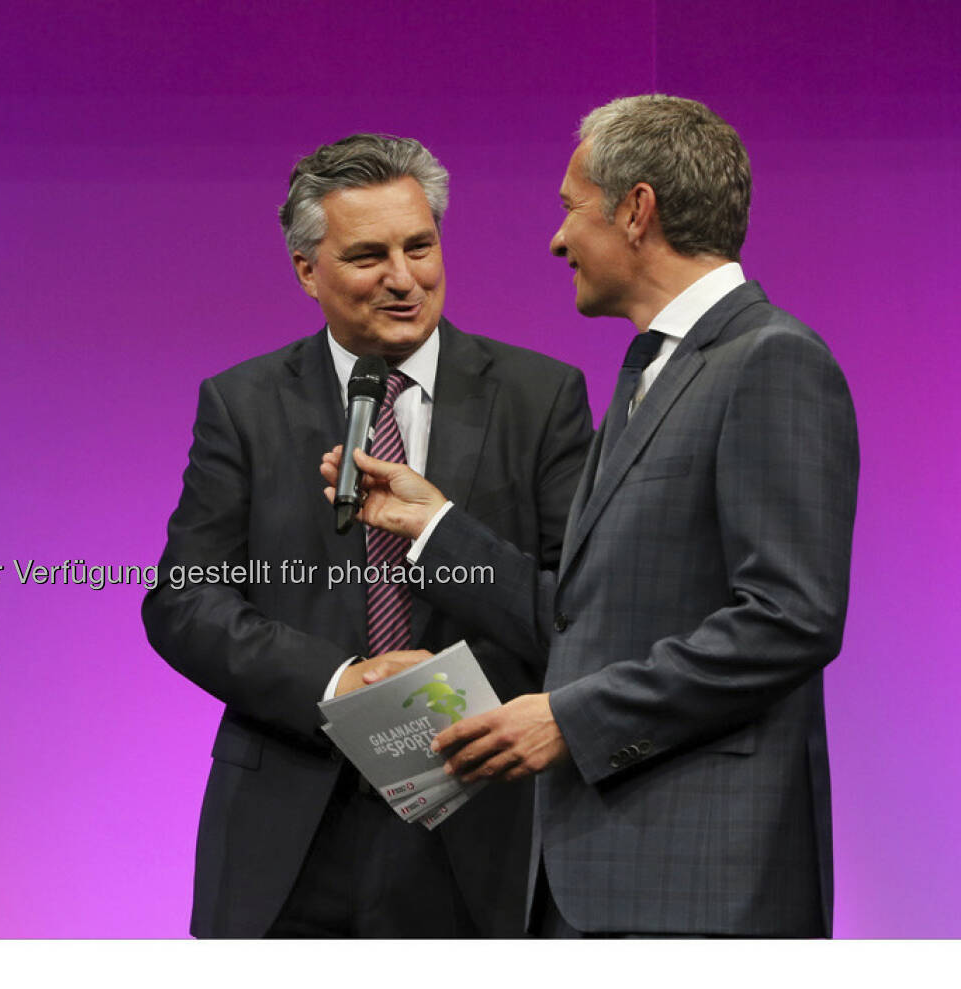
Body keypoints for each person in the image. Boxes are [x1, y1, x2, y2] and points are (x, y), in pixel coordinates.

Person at [322, 95, 859, 937]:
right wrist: (433, 525)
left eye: (571, 207)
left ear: (637, 211)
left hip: (700, 887)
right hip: (598, 876)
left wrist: (572, 717)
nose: (558, 238)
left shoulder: (771, 360)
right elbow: (578, 620)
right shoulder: (651, 373)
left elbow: (790, 619)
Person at [142, 134, 593, 937]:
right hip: (290, 819)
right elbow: (182, 604)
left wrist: (440, 532)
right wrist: (340, 681)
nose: (403, 277)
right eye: (367, 255)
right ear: (306, 270)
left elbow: (575, 616)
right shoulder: (242, 404)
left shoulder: (541, 398)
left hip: (476, 812)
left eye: (420, 246)